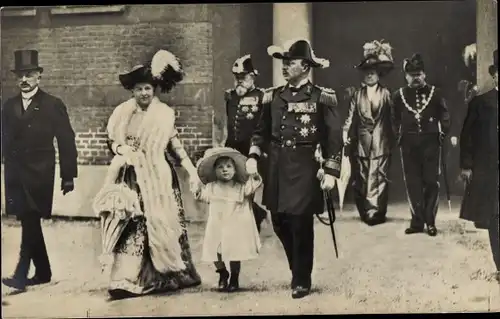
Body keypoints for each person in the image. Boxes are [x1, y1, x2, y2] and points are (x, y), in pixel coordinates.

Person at [93, 49, 201, 300]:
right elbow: (112, 142)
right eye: (139, 89)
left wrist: (192, 171)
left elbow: (175, 147)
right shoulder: (122, 114)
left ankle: (170, 274)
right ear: (132, 91)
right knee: (133, 224)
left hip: (159, 178)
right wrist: (122, 150)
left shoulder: (164, 115)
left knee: (163, 222)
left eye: (148, 89)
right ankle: (126, 278)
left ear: (155, 90)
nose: (144, 93)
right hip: (131, 176)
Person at [246, 39, 342, 299]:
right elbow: (260, 131)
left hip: (305, 167)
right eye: (284, 62)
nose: (286, 67)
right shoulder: (273, 96)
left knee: (300, 223)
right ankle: (296, 267)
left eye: (291, 62)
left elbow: (334, 137)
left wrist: (332, 171)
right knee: (278, 221)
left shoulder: (321, 96)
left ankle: (301, 278)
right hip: (276, 167)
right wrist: (253, 156)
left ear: (306, 67)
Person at [2, 50, 78, 292]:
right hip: (15, 172)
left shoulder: (52, 104)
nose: (24, 80)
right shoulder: (9, 105)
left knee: (30, 218)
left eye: (29, 74)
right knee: (28, 220)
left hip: (40, 172)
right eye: (20, 75)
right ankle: (43, 271)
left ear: (38, 76)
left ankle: (21, 275)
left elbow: (66, 140)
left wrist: (68, 176)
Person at [392, 53, 451, 237]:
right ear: (405, 76)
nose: (416, 78)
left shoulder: (436, 93)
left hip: (430, 143)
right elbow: (393, 119)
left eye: (419, 74)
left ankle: (430, 221)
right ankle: (417, 222)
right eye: (412, 74)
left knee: (431, 182)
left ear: (424, 74)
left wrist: (442, 132)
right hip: (408, 144)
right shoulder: (398, 95)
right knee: (412, 183)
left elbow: (445, 115)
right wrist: (398, 137)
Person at [193, 147, 262, 292]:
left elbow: (251, 188)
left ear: (235, 170)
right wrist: (197, 188)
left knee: (234, 252)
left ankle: (234, 278)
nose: (225, 170)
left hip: (234, 224)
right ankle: (222, 273)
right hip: (217, 223)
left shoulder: (239, 187)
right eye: (220, 167)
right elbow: (203, 196)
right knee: (214, 251)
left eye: (229, 166)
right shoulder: (212, 187)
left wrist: (253, 175)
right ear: (214, 171)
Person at [343, 40, 396, 226]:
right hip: (363, 141)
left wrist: (396, 138)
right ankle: (365, 210)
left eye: (373, 73)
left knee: (380, 175)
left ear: (378, 75)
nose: (370, 76)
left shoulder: (386, 93)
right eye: (367, 73)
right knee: (363, 175)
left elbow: (392, 118)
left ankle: (377, 212)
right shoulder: (357, 95)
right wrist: (345, 135)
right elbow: (350, 118)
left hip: (382, 140)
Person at [459, 49, 499, 283]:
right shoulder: (481, 103)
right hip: (490, 170)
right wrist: (466, 165)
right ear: (495, 76)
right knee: (495, 217)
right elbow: (467, 137)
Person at [221, 54, 268, 232]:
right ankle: (254, 215)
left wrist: (258, 151)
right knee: (233, 187)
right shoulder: (230, 96)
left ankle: (252, 221)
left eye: (244, 77)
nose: (240, 81)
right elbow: (230, 122)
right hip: (234, 148)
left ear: (253, 76)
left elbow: (262, 125)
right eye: (237, 78)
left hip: (252, 149)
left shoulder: (262, 97)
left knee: (249, 188)